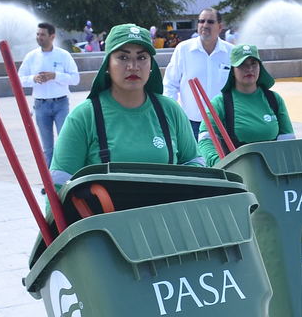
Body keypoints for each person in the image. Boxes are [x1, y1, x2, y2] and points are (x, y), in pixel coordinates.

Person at [50, 24, 204, 191]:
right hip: (106, 209)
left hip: (168, 208)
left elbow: (194, 163)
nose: (133, 66)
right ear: (107, 65)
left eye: (142, 57)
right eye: (123, 57)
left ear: (151, 65)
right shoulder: (83, 117)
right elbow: (59, 184)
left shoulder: (171, 110)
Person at [197, 44, 295, 166]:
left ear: (260, 67)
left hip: (273, 169)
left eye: (254, 63)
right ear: (233, 70)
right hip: (236, 171)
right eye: (242, 64)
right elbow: (205, 140)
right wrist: (220, 163)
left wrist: (286, 165)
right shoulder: (219, 103)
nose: (249, 69)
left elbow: (288, 139)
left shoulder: (274, 99)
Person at [17, 22, 81, 167]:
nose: (39, 37)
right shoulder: (31, 56)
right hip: (41, 105)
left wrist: (55, 75)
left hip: (60, 104)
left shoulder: (63, 55)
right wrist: (34, 79)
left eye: (42, 35)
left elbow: (75, 79)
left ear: (52, 37)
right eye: (37, 34)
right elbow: (19, 79)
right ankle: (49, 178)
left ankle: (64, 173)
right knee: (47, 147)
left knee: (64, 141)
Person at [162, 7, 232, 140]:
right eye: (201, 21)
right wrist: (170, 114)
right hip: (191, 124)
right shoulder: (183, 49)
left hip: (223, 124)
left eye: (210, 22)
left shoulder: (231, 52)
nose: (205, 25)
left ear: (220, 27)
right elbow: (170, 85)